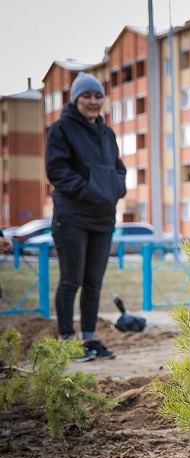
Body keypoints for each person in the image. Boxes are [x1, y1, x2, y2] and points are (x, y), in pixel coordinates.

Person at [46, 72, 127, 362]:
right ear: (76, 99)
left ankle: (89, 340)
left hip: (103, 219)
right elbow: (57, 171)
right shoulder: (62, 130)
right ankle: (68, 342)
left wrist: (117, 188)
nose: (93, 101)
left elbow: (118, 168)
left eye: (97, 96)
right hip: (72, 217)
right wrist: (91, 191)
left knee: (94, 281)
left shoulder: (107, 134)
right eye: (87, 96)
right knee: (71, 280)